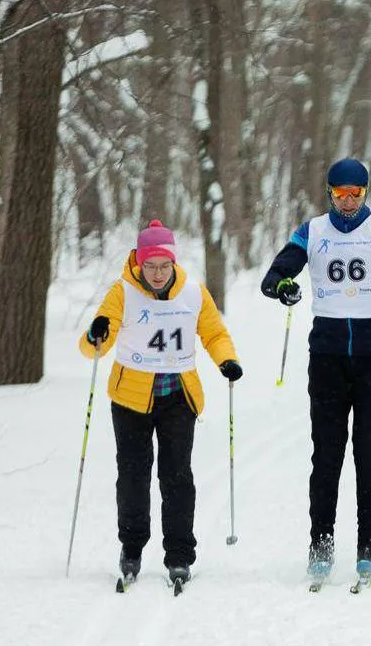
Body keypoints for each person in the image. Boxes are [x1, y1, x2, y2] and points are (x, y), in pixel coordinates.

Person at [260, 158, 371, 584]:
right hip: (328, 357)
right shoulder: (313, 230)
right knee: (327, 455)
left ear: (366, 191)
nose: (349, 201)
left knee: (370, 454)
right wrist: (283, 284)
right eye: (341, 193)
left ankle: (369, 547)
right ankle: (321, 543)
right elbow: (274, 276)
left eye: (356, 193)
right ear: (330, 193)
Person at [81, 219, 241, 588]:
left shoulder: (193, 292)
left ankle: (180, 555)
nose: (156, 273)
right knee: (133, 477)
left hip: (177, 397)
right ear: (138, 262)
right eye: (149, 265)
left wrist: (226, 360)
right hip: (130, 400)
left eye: (163, 266)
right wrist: (96, 335)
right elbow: (95, 340)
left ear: (173, 263)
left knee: (177, 476)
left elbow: (214, 332)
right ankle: (132, 548)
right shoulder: (122, 292)